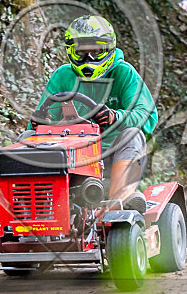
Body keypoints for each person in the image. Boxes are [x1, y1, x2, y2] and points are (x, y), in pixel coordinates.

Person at [31, 15, 158, 211]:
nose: (88, 59)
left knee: (133, 134)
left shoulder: (124, 73)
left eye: (96, 51)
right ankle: (21, 201)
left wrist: (117, 117)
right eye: (82, 52)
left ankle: (120, 201)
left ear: (108, 49)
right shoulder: (62, 76)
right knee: (29, 137)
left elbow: (148, 116)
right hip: (71, 155)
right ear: (71, 51)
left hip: (114, 153)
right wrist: (41, 122)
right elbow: (44, 119)